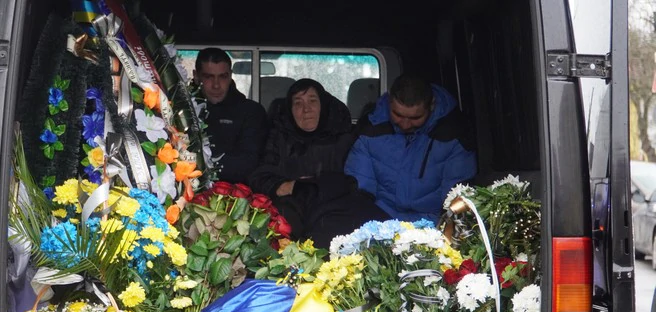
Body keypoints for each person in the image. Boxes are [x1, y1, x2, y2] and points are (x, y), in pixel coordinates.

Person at [248, 78, 383, 248]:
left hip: (335, 210)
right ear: (290, 109)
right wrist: (284, 186)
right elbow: (260, 176)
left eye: (312, 101)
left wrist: (314, 185)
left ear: (323, 105)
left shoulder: (344, 137)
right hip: (292, 209)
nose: (306, 109)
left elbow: (357, 183)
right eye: (298, 103)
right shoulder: (279, 138)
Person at [344, 73, 477, 223]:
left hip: (433, 225)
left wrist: (437, 232)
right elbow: (360, 192)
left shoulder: (453, 135)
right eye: (398, 115)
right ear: (389, 102)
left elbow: (456, 200)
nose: (405, 124)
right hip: (378, 222)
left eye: (415, 118)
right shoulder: (371, 130)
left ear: (432, 105)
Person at [194, 47, 268, 184]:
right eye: (209, 77)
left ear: (230, 76)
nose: (216, 85)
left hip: (235, 193)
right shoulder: (183, 110)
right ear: (196, 76)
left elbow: (249, 165)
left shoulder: (251, 112)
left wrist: (197, 163)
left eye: (223, 77)